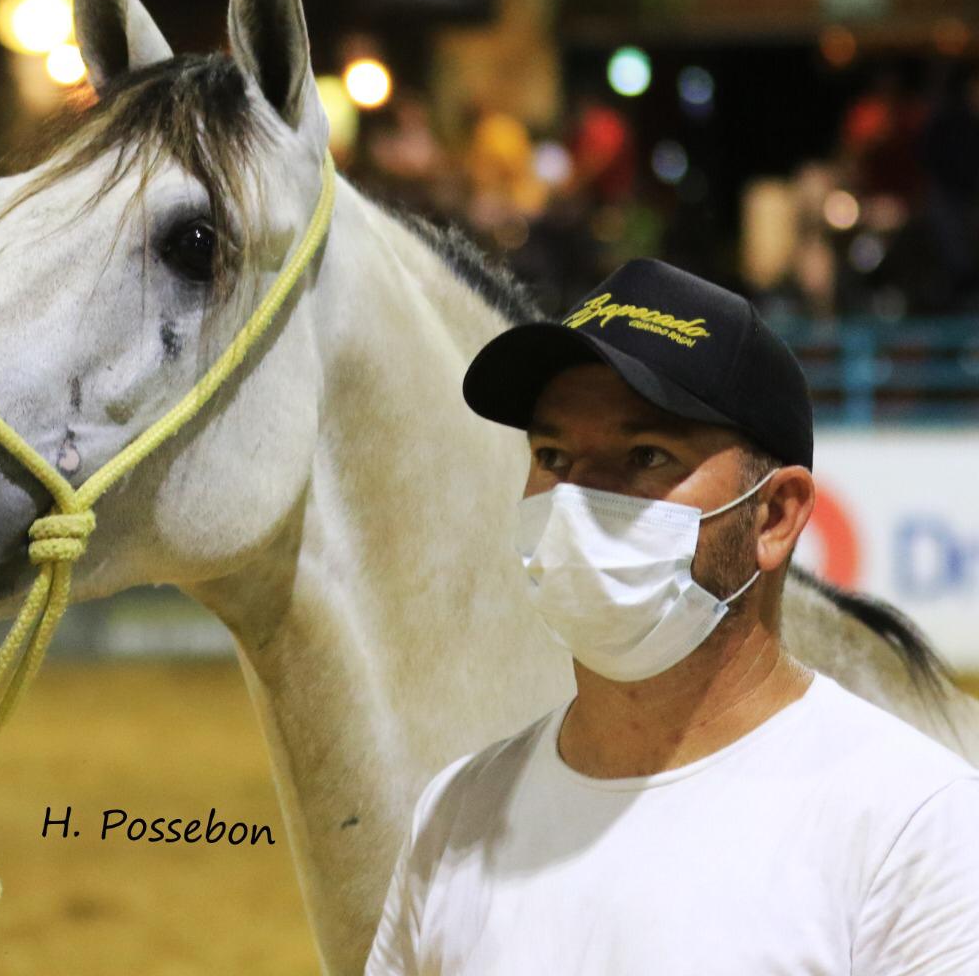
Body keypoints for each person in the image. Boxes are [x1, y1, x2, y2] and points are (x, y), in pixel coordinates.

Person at [365, 258, 979, 975]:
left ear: (774, 516)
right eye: (552, 454)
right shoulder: (457, 819)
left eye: (645, 455)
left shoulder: (912, 825)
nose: (577, 500)